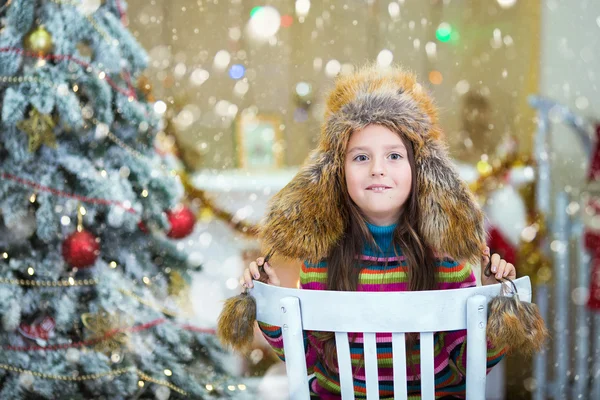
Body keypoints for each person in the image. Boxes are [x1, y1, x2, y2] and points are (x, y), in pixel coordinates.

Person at [240, 64, 516, 400]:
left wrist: (492, 300)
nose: (377, 169)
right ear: (337, 172)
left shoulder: (446, 262)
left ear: (421, 170)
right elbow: (309, 357)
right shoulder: (321, 263)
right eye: (360, 157)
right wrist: (270, 302)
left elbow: (467, 361)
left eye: (394, 155)